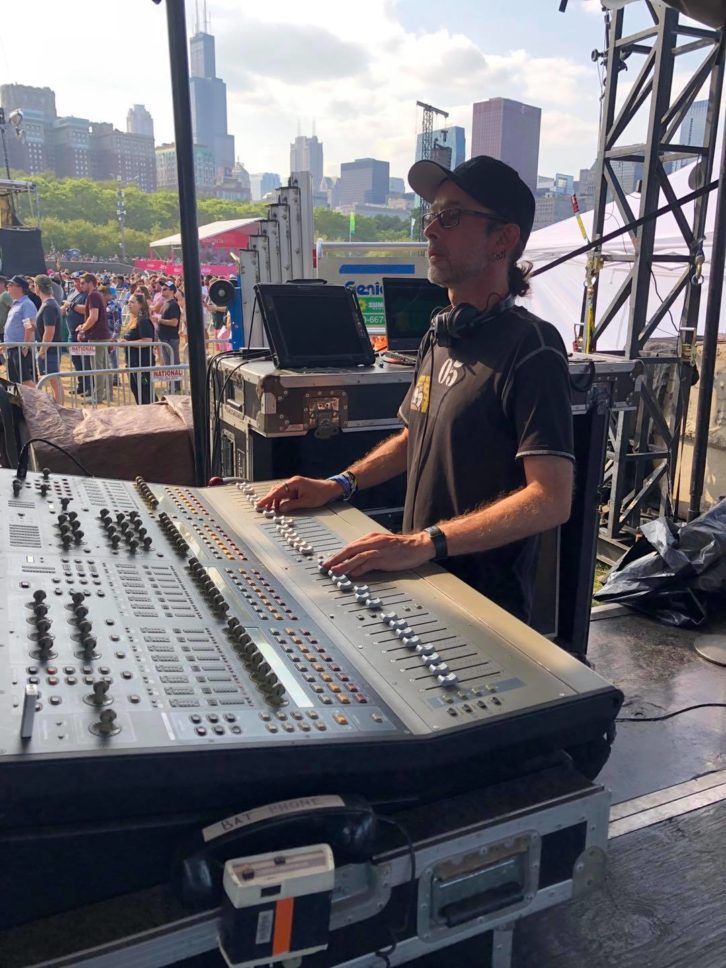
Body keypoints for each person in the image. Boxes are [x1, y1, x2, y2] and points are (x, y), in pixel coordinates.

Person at [257, 156, 575, 623]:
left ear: (503, 239)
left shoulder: (534, 348)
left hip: (485, 608)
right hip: (423, 581)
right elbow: (416, 437)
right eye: (431, 217)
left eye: (450, 217)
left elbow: (551, 498)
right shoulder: (440, 335)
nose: (430, 231)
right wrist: (339, 484)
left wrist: (425, 542)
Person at [77, 273, 112, 403]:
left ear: (90, 282)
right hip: (101, 335)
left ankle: (98, 397)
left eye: (82, 283)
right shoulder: (97, 295)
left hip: (97, 336)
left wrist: (83, 328)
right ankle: (106, 395)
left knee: (98, 368)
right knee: (103, 367)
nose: (80, 286)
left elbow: (93, 317)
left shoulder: (93, 296)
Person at [34, 274, 64, 404]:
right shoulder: (51, 304)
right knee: (53, 381)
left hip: (49, 351)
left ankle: (59, 409)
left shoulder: (49, 306)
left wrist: (42, 350)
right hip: (50, 350)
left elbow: (49, 331)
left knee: (54, 381)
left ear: (37, 287)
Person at [3, 275, 37, 386]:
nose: (7, 286)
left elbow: (29, 326)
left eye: (11, 284)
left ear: (19, 288)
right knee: (14, 382)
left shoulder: (26, 304)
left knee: (25, 381)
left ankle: (36, 403)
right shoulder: (16, 304)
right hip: (12, 349)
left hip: (20, 349)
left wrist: (25, 346)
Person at [124, 291, 156, 405]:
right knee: (137, 391)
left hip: (142, 363)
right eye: (128, 302)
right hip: (133, 362)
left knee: (146, 393)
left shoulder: (144, 321)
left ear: (141, 305)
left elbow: (147, 341)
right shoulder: (134, 320)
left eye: (132, 302)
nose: (129, 304)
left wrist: (127, 343)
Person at [62, 273, 90, 395]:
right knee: (76, 361)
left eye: (79, 281)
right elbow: (65, 306)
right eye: (75, 281)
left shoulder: (88, 295)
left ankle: (89, 386)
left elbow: (86, 310)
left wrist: (71, 305)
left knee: (85, 361)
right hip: (72, 333)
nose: (77, 284)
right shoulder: (72, 293)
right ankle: (81, 385)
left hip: (83, 334)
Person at [154, 280, 182, 392]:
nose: (162, 290)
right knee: (167, 363)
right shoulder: (165, 303)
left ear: (172, 291)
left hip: (171, 338)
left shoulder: (174, 305)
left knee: (173, 362)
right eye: (162, 288)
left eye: (165, 289)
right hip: (164, 337)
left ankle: (175, 386)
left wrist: (160, 320)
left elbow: (174, 322)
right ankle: (171, 386)